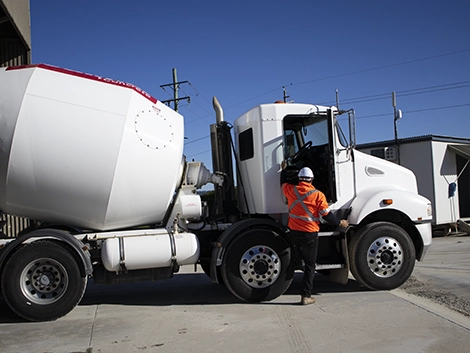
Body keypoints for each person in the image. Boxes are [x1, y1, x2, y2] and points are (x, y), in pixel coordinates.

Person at [281, 166, 349, 305]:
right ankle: (306, 296)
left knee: (294, 260)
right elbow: (326, 215)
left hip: (293, 232)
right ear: (311, 179)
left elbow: (282, 183)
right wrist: (339, 223)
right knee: (310, 265)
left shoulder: (291, 190)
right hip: (310, 233)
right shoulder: (318, 195)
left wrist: (284, 171)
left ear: (299, 179)